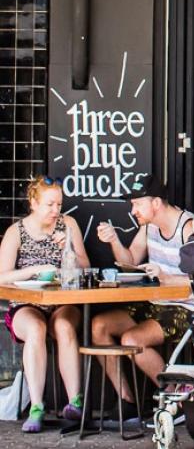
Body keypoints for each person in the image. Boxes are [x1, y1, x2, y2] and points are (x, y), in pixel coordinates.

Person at [93, 174, 194, 418]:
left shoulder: (189, 226)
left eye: (137, 204)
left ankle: (175, 401)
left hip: (186, 308)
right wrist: (114, 240)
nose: (133, 210)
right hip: (155, 303)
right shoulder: (149, 226)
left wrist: (166, 277)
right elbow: (130, 260)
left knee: (132, 340)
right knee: (98, 326)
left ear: (156, 203)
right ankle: (127, 401)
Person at [0, 175, 90, 433]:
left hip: (63, 302)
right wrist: (34, 270)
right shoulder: (16, 232)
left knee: (63, 326)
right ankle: (37, 407)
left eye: (59, 205)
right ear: (33, 202)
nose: (56, 211)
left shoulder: (68, 224)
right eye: (50, 205)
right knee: (37, 330)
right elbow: (2, 276)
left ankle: (75, 403)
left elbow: (85, 268)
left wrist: (68, 250)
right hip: (26, 303)